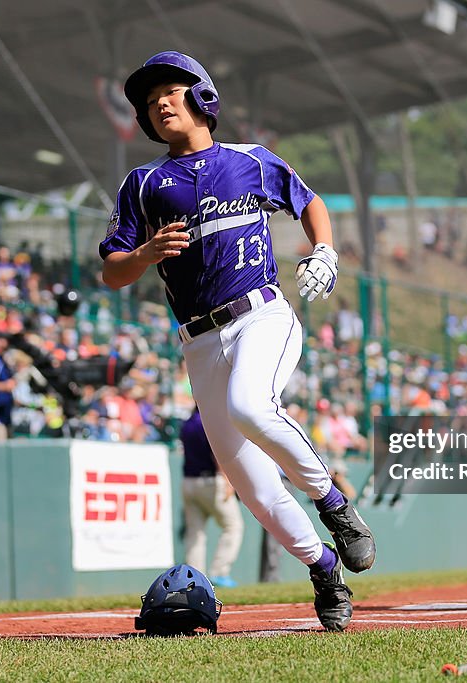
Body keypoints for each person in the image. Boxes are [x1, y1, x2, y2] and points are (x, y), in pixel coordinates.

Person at [100, 51, 375, 631]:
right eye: (151, 103)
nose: (160, 105)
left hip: (261, 316)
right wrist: (144, 254)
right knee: (251, 486)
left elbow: (310, 202)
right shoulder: (143, 183)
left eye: (171, 92)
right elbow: (113, 270)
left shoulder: (250, 161)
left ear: (202, 98)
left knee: (253, 405)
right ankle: (325, 569)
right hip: (198, 342)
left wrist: (324, 250)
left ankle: (335, 506)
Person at [180, 407, 243, 587]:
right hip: (210, 482)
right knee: (233, 525)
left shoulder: (187, 423)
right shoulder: (208, 421)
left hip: (188, 482)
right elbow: (216, 452)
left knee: (195, 533)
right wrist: (227, 479)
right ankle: (219, 572)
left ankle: (193, 579)